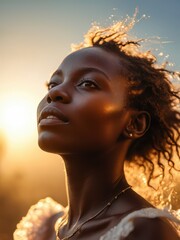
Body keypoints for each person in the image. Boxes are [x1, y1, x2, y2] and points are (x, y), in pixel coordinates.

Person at [14, 14, 180, 240]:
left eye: (87, 83)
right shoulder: (46, 227)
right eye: (53, 83)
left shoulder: (145, 230)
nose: (55, 93)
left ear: (135, 123)